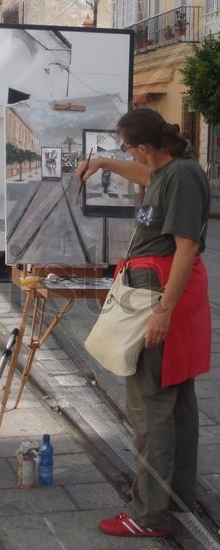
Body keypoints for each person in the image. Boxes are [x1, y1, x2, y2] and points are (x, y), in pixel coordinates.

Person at [76, 107, 211, 538]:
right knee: (174, 402)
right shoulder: (169, 172)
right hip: (159, 289)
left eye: (128, 148)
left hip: (160, 293)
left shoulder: (184, 177)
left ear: (146, 146)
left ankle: (148, 514)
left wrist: (161, 312)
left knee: (151, 407)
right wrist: (101, 162)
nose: (128, 155)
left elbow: (187, 246)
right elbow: (145, 176)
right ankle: (173, 496)